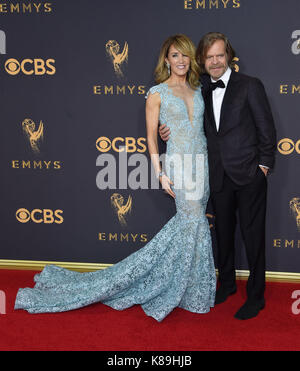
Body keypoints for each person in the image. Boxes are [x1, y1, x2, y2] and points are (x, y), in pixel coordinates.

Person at [14, 34, 216, 322]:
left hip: (203, 164)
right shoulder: (157, 93)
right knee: (192, 220)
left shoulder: (200, 88)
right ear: (166, 60)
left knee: (193, 225)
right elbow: (150, 137)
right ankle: (176, 287)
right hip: (179, 165)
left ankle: (190, 288)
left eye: (185, 55)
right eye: (175, 55)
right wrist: (160, 173)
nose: (181, 60)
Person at [159, 32, 277, 320]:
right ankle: (226, 285)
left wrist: (263, 168)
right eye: (209, 56)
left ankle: (256, 296)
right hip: (217, 177)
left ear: (229, 57)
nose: (214, 61)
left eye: (219, 55)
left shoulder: (250, 86)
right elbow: (187, 124)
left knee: (253, 239)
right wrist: (166, 131)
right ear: (203, 59)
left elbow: (267, 130)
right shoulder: (199, 91)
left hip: (249, 175)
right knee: (223, 236)